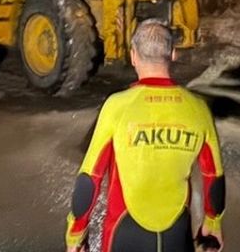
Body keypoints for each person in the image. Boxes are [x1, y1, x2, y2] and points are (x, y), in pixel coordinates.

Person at [64, 19, 226, 252]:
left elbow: (90, 177)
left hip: (124, 233)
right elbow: (214, 176)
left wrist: (76, 232)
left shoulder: (117, 106)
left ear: (133, 55)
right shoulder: (198, 108)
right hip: (176, 235)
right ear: (172, 54)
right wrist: (213, 222)